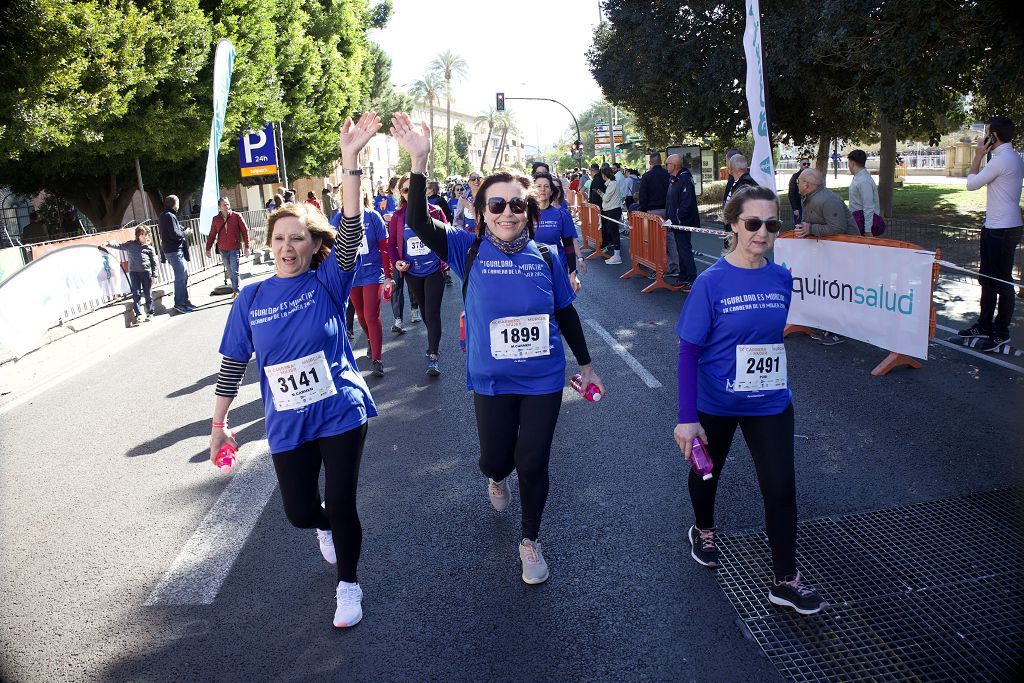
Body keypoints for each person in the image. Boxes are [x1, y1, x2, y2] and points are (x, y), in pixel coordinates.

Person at [392, 112, 603, 585]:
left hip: (543, 378)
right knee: (497, 459)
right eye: (496, 205)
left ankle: (530, 541)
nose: (507, 212)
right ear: (482, 212)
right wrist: (419, 160)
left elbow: (566, 313)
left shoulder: (546, 255)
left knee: (533, 460)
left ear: (529, 210)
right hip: (489, 378)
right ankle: (493, 475)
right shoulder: (465, 247)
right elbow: (417, 221)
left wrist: (586, 364)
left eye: (516, 205)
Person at [210, 111, 382, 629]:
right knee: (300, 511)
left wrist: (349, 159)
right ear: (270, 245)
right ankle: (323, 526)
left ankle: (348, 586)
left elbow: (350, 230)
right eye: (280, 238)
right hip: (287, 420)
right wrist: (218, 424)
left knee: (343, 499)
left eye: (299, 239)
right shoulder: (251, 298)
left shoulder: (327, 283)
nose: (289, 246)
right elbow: (233, 362)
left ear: (313, 246)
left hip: (339, 409)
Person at [675, 185, 827, 616]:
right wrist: (688, 418)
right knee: (707, 474)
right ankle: (703, 528)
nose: (762, 233)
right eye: (753, 223)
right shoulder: (711, 283)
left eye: (771, 224)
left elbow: (768, 340)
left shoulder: (781, 277)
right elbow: (689, 351)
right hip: (716, 404)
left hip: (770, 401)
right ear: (733, 224)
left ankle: (785, 579)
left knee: (780, 486)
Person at [960, 116, 1024, 352]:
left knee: (1001, 281)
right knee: (988, 278)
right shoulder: (1009, 157)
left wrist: (977, 156)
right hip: (997, 226)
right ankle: (984, 324)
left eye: (986, 132)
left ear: (993, 136)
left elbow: (971, 184)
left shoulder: (1002, 160)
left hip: (1002, 229)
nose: (982, 137)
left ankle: (1000, 332)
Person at [386, 173, 448, 374]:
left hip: (433, 269)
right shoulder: (397, 217)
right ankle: (432, 341)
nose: (410, 194)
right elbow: (391, 245)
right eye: (405, 190)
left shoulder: (436, 212)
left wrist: (444, 260)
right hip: (412, 271)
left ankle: (434, 355)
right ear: (401, 194)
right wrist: (397, 262)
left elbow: (447, 236)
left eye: (414, 190)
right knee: (423, 310)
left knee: (432, 311)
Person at [794, 168, 859, 346]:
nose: (796, 183)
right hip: (830, 252)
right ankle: (828, 326)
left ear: (807, 185)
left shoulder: (828, 200)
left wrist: (810, 230)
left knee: (838, 292)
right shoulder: (811, 197)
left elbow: (838, 227)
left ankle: (838, 331)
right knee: (827, 290)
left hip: (845, 253)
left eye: (799, 181)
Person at [334, 182, 389, 377]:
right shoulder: (339, 219)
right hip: (352, 275)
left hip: (373, 272)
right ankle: (370, 340)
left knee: (371, 315)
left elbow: (384, 246)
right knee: (362, 315)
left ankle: (377, 359)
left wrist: (389, 275)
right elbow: (332, 248)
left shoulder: (373, 216)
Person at [533, 172, 581, 291]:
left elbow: (569, 246)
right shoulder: (525, 215)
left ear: (552, 191)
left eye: (546, 186)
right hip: (533, 270)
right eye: (538, 186)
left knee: (563, 307)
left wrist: (573, 274)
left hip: (558, 267)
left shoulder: (561, 215)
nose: (542, 189)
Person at [105, 226, 158, 325]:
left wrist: (154, 275)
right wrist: (108, 243)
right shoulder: (131, 245)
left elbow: (154, 263)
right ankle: (138, 314)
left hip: (146, 273)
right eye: (144, 235)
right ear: (138, 235)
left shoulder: (149, 248)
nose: (146, 237)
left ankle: (150, 312)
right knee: (136, 293)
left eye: (147, 235)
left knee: (148, 293)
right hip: (134, 273)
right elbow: (119, 246)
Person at [665, 154, 700, 289]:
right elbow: (671, 201)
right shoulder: (674, 179)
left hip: (682, 222)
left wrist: (678, 219)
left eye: (667, 164)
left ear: (674, 165)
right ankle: (683, 275)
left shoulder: (684, 179)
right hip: (675, 222)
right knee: (680, 249)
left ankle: (692, 278)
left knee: (685, 249)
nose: (666, 166)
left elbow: (686, 202)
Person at [205, 197, 251, 297]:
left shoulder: (236, 216)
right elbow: (212, 234)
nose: (226, 207)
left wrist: (247, 247)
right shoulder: (216, 219)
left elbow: (245, 230)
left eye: (227, 204)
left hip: (234, 248)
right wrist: (208, 248)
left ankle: (236, 291)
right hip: (223, 249)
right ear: (219, 207)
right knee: (230, 272)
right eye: (224, 205)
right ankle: (236, 289)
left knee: (234, 271)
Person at [158, 195, 195, 313]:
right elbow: (175, 234)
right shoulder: (169, 216)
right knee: (180, 277)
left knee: (184, 275)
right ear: (175, 204)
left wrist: (183, 230)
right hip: (174, 251)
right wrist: (186, 232)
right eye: (178, 203)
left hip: (172, 251)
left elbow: (176, 229)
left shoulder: (165, 215)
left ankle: (184, 301)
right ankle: (179, 303)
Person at [846, 150, 881, 236]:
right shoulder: (858, 178)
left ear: (852, 163)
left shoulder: (864, 181)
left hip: (862, 224)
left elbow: (868, 206)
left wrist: (868, 230)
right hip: (857, 221)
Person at [600, 167, 624, 265]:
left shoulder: (612, 184)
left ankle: (617, 255)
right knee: (613, 232)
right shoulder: (611, 184)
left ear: (605, 175)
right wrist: (602, 194)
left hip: (613, 210)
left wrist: (602, 195)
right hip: (612, 210)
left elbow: (606, 198)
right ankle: (616, 255)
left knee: (614, 232)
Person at [788, 158, 810, 224]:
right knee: (799, 228)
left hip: (811, 207)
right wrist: (795, 208)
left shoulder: (812, 176)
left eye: (808, 164)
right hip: (799, 207)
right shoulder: (795, 177)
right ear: (800, 165)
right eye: (804, 164)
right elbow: (791, 194)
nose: (806, 165)